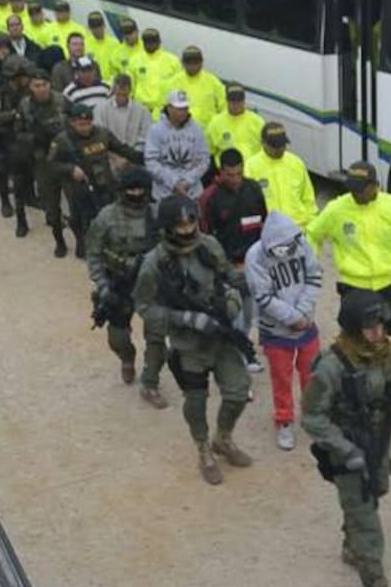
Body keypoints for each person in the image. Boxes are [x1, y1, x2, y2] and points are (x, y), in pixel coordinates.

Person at [300, 290, 391, 587]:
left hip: (379, 442)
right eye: (370, 327)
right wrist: (345, 449)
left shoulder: (388, 353)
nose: (377, 332)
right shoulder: (332, 367)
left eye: (381, 325)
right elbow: (311, 417)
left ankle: (350, 544)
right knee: (366, 516)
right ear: (353, 328)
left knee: (376, 492)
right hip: (349, 449)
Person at [134, 195, 254, 485]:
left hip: (220, 336)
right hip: (188, 345)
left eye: (191, 222)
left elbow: (228, 275)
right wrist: (185, 319)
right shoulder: (154, 264)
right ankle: (203, 449)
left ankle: (222, 439)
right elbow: (144, 307)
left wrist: (235, 298)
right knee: (196, 402)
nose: (188, 230)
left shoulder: (209, 246)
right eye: (181, 225)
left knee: (239, 392)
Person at [306, 161, 391, 339]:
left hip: (388, 288)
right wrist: (311, 264)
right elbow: (312, 234)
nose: (355, 194)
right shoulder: (336, 209)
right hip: (354, 289)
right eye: (352, 189)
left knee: (388, 339)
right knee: (355, 342)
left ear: (375, 186)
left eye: (360, 189)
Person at [245, 211, 322, 451]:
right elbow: (263, 296)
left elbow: (314, 277)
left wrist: (301, 313)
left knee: (312, 375)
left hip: (306, 325)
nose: (286, 251)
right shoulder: (255, 256)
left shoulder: (303, 244)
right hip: (276, 332)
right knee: (281, 379)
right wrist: (292, 318)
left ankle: (312, 416)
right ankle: (284, 421)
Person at [85, 167, 160, 385]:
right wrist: (102, 285)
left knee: (156, 338)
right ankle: (127, 358)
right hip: (118, 284)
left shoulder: (156, 215)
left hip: (151, 285)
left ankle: (150, 379)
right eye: (131, 189)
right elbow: (93, 253)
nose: (136, 194)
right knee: (117, 338)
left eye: (141, 189)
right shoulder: (107, 217)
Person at [198, 148, 268, 371]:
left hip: (252, 266)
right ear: (220, 173)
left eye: (239, 173)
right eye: (230, 174)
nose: (235, 179)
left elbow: (263, 225)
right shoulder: (209, 198)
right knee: (232, 314)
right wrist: (222, 267)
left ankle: (239, 348)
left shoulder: (254, 189)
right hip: (226, 268)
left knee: (248, 315)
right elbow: (204, 238)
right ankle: (240, 358)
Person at [47, 103, 132, 258]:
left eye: (88, 124)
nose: (85, 128)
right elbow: (51, 165)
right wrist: (70, 169)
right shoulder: (62, 140)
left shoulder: (102, 133)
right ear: (72, 123)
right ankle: (82, 242)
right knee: (81, 219)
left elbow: (121, 148)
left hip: (104, 183)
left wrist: (139, 157)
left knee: (107, 215)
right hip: (79, 188)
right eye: (81, 124)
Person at [0, 56, 35, 232]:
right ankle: (6, 202)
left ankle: (30, 198)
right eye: (24, 76)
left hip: (20, 140)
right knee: (2, 173)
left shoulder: (27, 91)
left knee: (25, 174)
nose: (28, 79)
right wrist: (13, 114)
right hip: (2, 140)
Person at [17, 67, 68, 234]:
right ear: (31, 87)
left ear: (50, 85)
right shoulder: (25, 105)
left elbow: (73, 122)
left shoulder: (61, 100)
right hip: (39, 153)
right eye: (36, 85)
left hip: (63, 151)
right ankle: (53, 217)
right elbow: (17, 131)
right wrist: (32, 139)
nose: (41, 89)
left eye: (44, 84)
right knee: (46, 189)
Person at [245, 121, 317, 228]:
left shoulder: (296, 163)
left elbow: (308, 198)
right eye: (275, 146)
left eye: (282, 145)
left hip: (298, 227)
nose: (280, 149)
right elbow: (247, 205)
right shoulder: (251, 166)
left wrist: (310, 226)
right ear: (263, 143)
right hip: (270, 231)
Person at [144, 90, 210, 204]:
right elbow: (151, 162)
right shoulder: (155, 130)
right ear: (169, 108)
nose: (183, 112)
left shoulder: (197, 129)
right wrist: (173, 183)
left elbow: (204, 160)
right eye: (179, 108)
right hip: (163, 196)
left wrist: (187, 181)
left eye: (185, 108)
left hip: (192, 194)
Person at [205, 83, 264, 164]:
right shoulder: (215, 122)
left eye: (239, 100)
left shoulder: (258, 122)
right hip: (225, 171)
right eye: (232, 100)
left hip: (251, 170)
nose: (236, 104)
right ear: (226, 100)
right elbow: (209, 151)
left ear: (244, 101)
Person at [95, 73, 151, 156]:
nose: (121, 98)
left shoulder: (142, 111)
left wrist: (131, 155)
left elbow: (145, 136)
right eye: (118, 94)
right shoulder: (100, 109)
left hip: (134, 156)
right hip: (109, 156)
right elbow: (98, 136)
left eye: (124, 95)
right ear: (113, 90)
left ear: (130, 91)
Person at [129, 27, 182, 116]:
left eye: (153, 41)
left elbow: (179, 87)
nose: (150, 44)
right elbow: (130, 86)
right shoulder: (134, 60)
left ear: (159, 42)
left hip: (163, 112)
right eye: (147, 41)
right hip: (140, 110)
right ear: (143, 42)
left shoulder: (173, 61)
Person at [174, 46, 225, 127]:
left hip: (206, 133)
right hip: (178, 133)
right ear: (183, 63)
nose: (192, 66)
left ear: (202, 62)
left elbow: (224, 108)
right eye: (189, 63)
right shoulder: (174, 82)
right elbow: (162, 108)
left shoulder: (213, 82)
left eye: (195, 62)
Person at [84, 11, 121, 80]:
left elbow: (119, 67)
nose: (97, 29)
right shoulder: (85, 43)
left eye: (99, 26)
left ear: (104, 25)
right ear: (89, 28)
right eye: (94, 27)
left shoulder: (115, 43)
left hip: (110, 84)